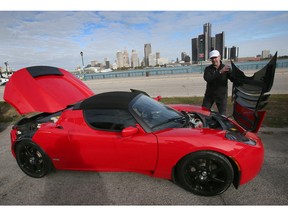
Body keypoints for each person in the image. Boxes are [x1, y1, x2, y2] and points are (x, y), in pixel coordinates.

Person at [202, 50, 233, 115]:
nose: (214, 60)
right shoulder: (208, 69)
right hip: (209, 95)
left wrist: (231, 72)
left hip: (221, 96)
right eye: (212, 58)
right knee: (203, 112)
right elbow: (208, 79)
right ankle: (205, 124)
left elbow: (233, 79)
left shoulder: (226, 68)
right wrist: (220, 72)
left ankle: (221, 124)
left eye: (215, 57)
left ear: (219, 57)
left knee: (222, 115)